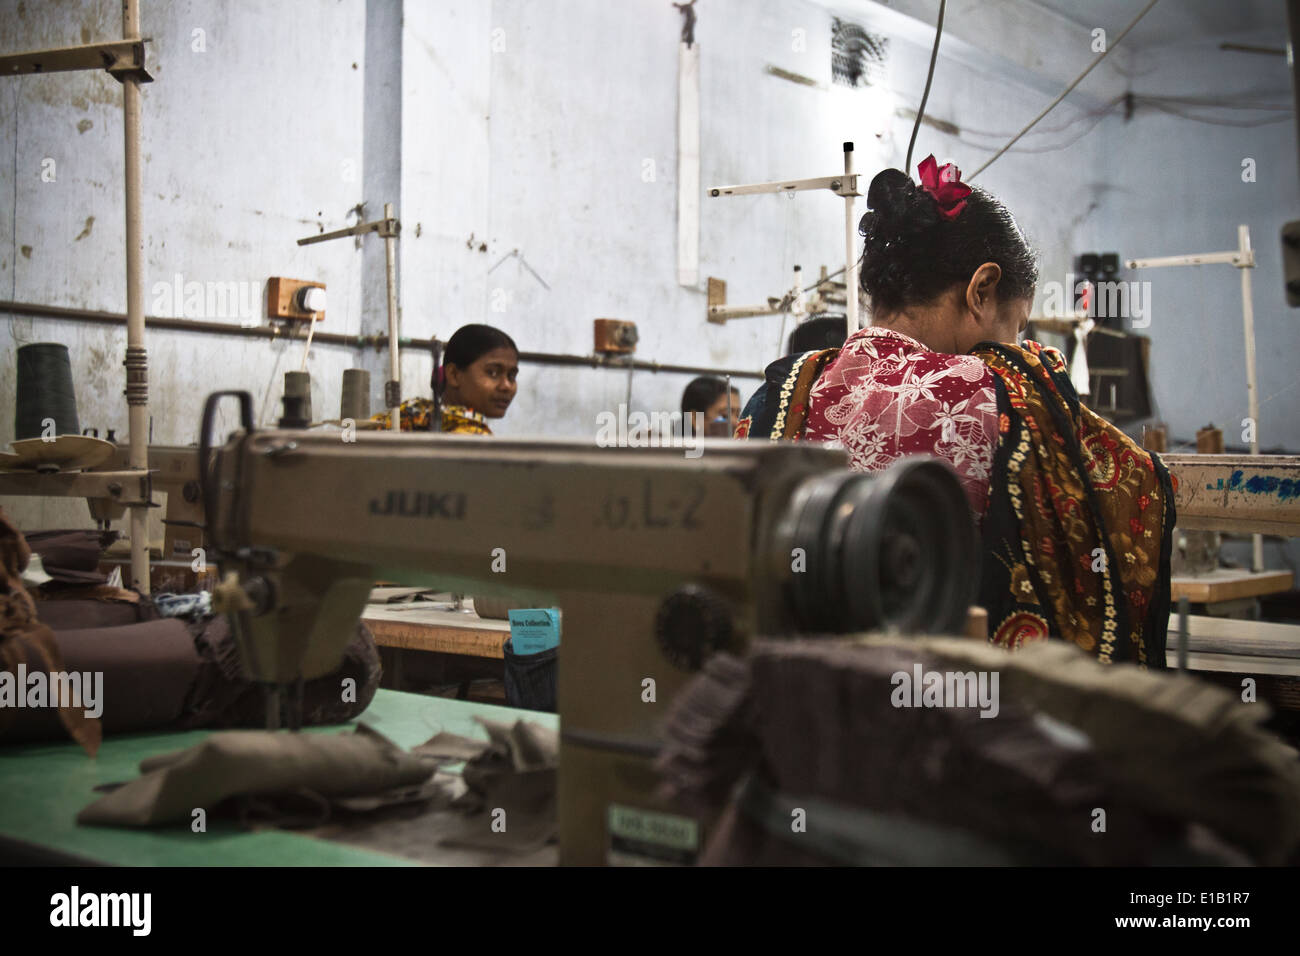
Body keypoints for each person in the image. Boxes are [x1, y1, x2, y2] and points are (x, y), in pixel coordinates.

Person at [736, 156, 1174, 667]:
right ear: (981, 290)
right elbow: (1134, 481)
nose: (1015, 345)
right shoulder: (1008, 390)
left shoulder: (783, 391)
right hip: (955, 715)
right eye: (1017, 326)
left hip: (806, 704)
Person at [372, 324, 519, 434]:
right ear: (454, 375)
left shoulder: (411, 415)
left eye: (512, 376)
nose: (506, 386)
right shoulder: (475, 437)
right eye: (492, 373)